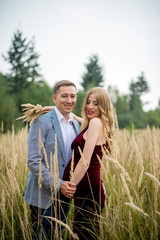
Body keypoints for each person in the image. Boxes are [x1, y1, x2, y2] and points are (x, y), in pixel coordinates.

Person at [43, 87, 115, 239]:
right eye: (88, 102)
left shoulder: (95, 122)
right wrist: (60, 111)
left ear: (103, 106)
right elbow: (82, 122)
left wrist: (70, 185)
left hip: (85, 186)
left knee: (83, 232)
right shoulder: (97, 123)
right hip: (86, 186)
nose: (90, 106)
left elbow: (85, 160)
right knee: (85, 231)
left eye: (96, 103)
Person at [24, 80, 80, 239]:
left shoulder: (76, 124)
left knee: (58, 236)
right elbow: (34, 161)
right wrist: (59, 184)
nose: (69, 100)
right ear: (54, 98)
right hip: (42, 196)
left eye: (72, 96)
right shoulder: (42, 121)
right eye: (64, 96)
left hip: (66, 195)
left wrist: (66, 186)